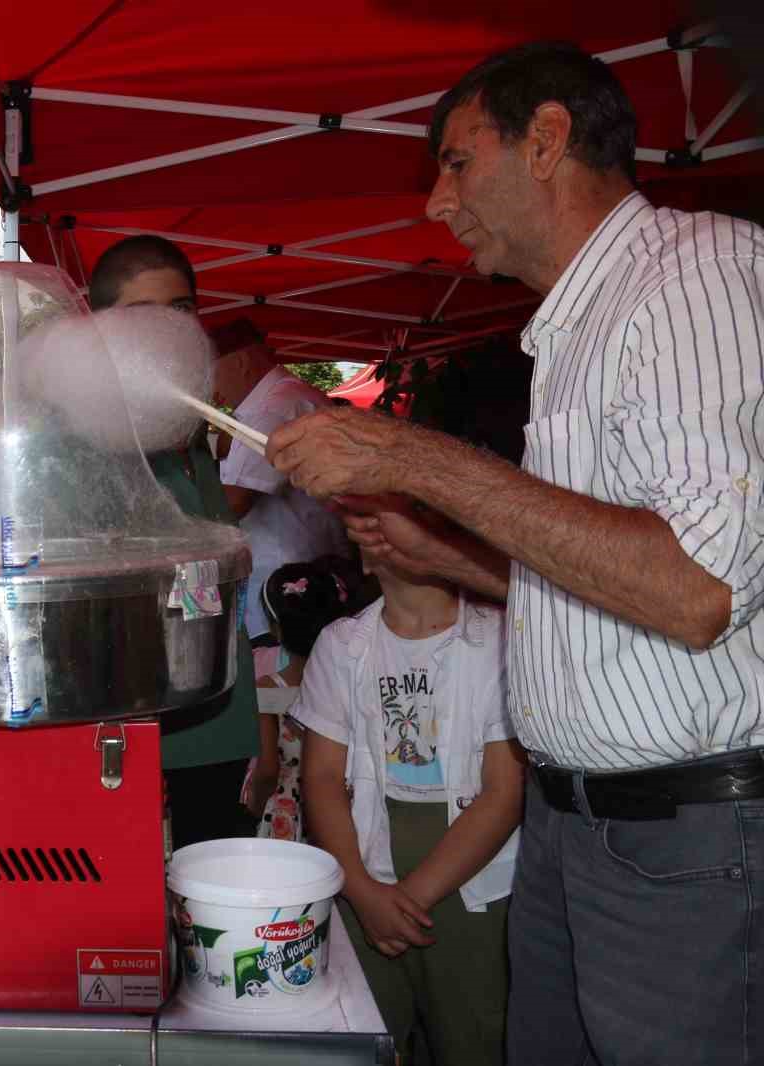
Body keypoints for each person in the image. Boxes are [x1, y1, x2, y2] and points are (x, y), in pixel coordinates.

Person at [266, 42, 764, 1064]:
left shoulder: (696, 277)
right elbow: (608, 586)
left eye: (454, 162)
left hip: (687, 839)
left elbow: (696, 589)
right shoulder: (574, 325)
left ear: (545, 140)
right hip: (575, 828)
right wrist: (448, 556)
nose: (435, 205)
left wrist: (409, 454)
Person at [293, 549, 524, 1066]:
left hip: (471, 881)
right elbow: (323, 777)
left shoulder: (504, 640)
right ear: (364, 560)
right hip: (364, 869)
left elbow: (503, 793)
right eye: (367, 522)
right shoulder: (341, 645)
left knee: (475, 1036)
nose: (382, 531)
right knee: (369, 1037)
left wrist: (411, 897)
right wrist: (360, 891)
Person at [87, 234, 262, 845]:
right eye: (144, 315)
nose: (168, 331)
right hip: (143, 733)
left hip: (219, 719)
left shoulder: (190, 431)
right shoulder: (88, 434)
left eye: (182, 310)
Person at [209, 319, 348, 641]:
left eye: (211, 372)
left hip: (287, 582)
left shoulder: (272, 410)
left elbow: (235, 502)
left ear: (240, 362)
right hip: (311, 567)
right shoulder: (293, 396)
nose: (211, 386)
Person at [243, 558, 367, 840]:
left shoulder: (267, 688)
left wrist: (256, 805)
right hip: (347, 810)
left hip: (288, 815)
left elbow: (267, 770)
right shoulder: (355, 684)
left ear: (276, 629)